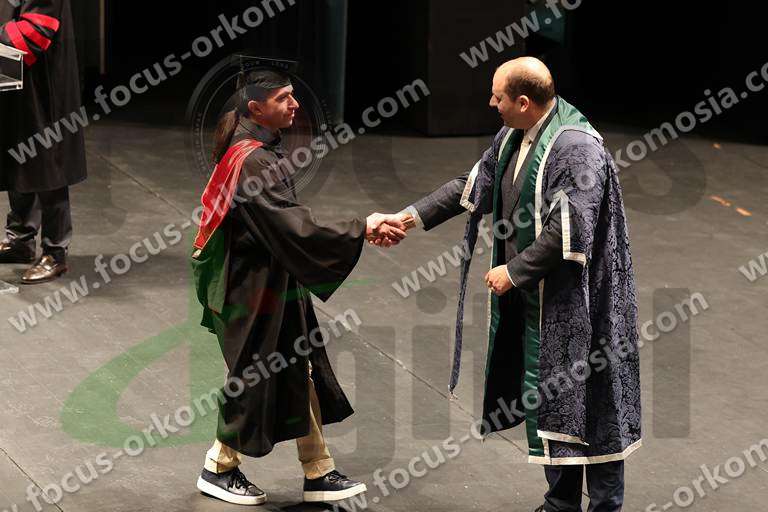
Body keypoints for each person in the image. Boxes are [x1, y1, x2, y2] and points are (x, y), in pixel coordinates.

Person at [375, 57, 641, 511]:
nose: (490, 103)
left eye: (497, 96)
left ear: (522, 102)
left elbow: (569, 229)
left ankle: (604, 507)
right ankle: (560, 505)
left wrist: (512, 270)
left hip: (581, 304)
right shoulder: (514, 134)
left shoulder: (577, 148)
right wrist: (408, 217)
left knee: (593, 409)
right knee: (552, 403)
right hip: (541, 299)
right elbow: (472, 184)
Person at [191, 68, 406, 506]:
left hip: (269, 278)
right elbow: (294, 227)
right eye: (284, 98)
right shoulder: (252, 160)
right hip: (250, 288)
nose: (295, 104)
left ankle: (318, 469)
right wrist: (361, 227)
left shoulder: (254, 148)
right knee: (253, 376)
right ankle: (218, 467)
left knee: (295, 365)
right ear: (256, 109)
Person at [0, 0, 87, 283]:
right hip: (13, 72)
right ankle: (21, 239)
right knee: (17, 155)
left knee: (47, 163)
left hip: (43, 81)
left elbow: (37, 30)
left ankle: (55, 252)